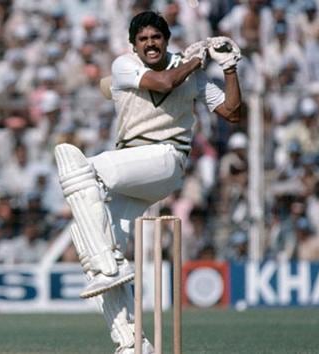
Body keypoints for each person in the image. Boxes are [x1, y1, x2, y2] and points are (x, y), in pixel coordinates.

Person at [54, 11, 241, 354]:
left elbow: (232, 112)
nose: (150, 44)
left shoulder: (192, 74)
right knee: (88, 246)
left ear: (166, 40)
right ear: (134, 46)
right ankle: (132, 343)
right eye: (143, 40)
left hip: (167, 159)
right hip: (131, 167)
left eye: (156, 38)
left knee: (78, 166)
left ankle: (107, 264)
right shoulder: (124, 65)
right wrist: (197, 60)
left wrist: (229, 69)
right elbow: (164, 83)